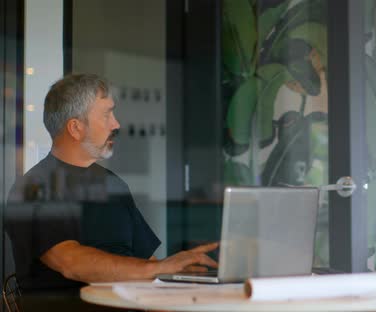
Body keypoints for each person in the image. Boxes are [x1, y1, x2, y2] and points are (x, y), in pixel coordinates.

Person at [5, 74, 217, 309]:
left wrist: (183, 287)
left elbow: (145, 262)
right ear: (75, 128)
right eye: (106, 114)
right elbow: (71, 262)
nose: (116, 124)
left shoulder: (113, 185)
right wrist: (160, 267)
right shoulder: (33, 188)